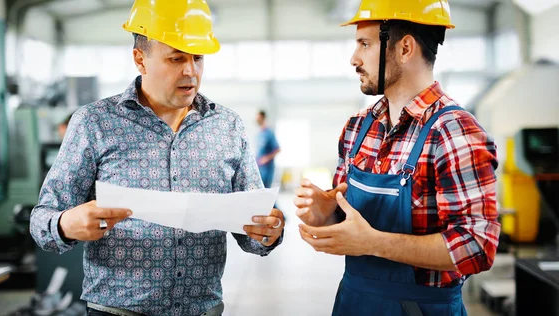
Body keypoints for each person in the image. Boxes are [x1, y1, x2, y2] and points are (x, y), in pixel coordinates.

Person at [29, 1, 285, 315]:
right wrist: (66, 224)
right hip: (117, 310)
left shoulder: (227, 127)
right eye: (176, 58)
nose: (190, 70)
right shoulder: (94, 123)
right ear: (140, 59)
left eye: (198, 58)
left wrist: (269, 232)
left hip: (202, 309)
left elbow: (252, 231)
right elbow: (43, 218)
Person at [294, 1, 500, 315]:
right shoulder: (358, 128)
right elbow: (352, 226)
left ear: (404, 48)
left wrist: (373, 243)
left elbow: (477, 246)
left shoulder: (453, 131)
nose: (354, 59)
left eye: (365, 44)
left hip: (421, 307)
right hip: (354, 301)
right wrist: (327, 213)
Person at [255, 110, 281, 189]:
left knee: (266, 191)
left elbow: (278, 149)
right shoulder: (259, 134)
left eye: (258, 117)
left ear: (262, 118)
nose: (256, 119)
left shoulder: (269, 133)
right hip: (259, 167)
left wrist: (266, 158)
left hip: (267, 168)